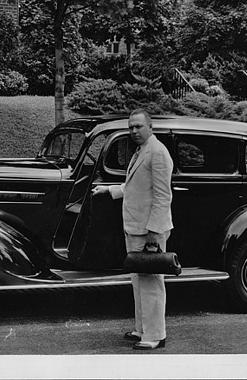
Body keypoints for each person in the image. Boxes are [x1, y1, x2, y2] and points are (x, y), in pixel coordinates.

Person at [92, 109, 174, 350]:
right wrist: (110, 190)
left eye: (138, 126)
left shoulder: (157, 152)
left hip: (149, 229)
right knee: (139, 281)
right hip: (135, 226)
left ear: (150, 127)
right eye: (131, 127)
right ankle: (142, 329)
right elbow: (135, 186)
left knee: (150, 282)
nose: (134, 131)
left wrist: (152, 231)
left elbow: (162, 196)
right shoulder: (142, 151)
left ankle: (155, 336)